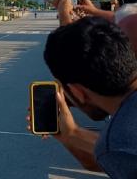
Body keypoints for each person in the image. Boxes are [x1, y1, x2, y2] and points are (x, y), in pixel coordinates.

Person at [37, 17, 137, 177]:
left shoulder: (117, 143)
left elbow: (118, 153)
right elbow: (98, 163)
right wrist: (69, 135)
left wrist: (74, 134)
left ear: (78, 93)